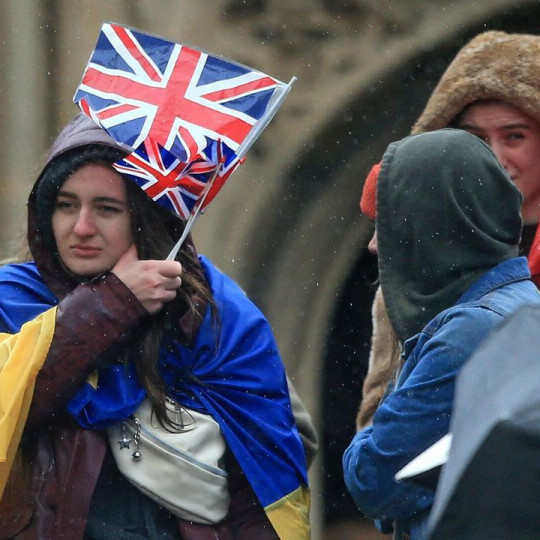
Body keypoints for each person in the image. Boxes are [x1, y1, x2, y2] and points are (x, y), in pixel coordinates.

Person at [0, 113, 316, 539]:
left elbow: (264, 474)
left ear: (146, 216)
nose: (81, 228)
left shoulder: (216, 313)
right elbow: (15, 401)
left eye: (107, 208)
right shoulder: (11, 299)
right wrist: (112, 303)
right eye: (65, 205)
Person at [342, 128, 540, 539]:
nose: (374, 246)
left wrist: (365, 445)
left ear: (430, 224)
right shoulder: (523, 305)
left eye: (385, 226)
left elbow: (375, 481)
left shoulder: (469, 332)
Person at [356, 29, 540, 429]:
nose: (495, 157)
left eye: (514, 136)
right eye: (474, 139)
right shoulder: (420, 268)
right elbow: (384, 423)